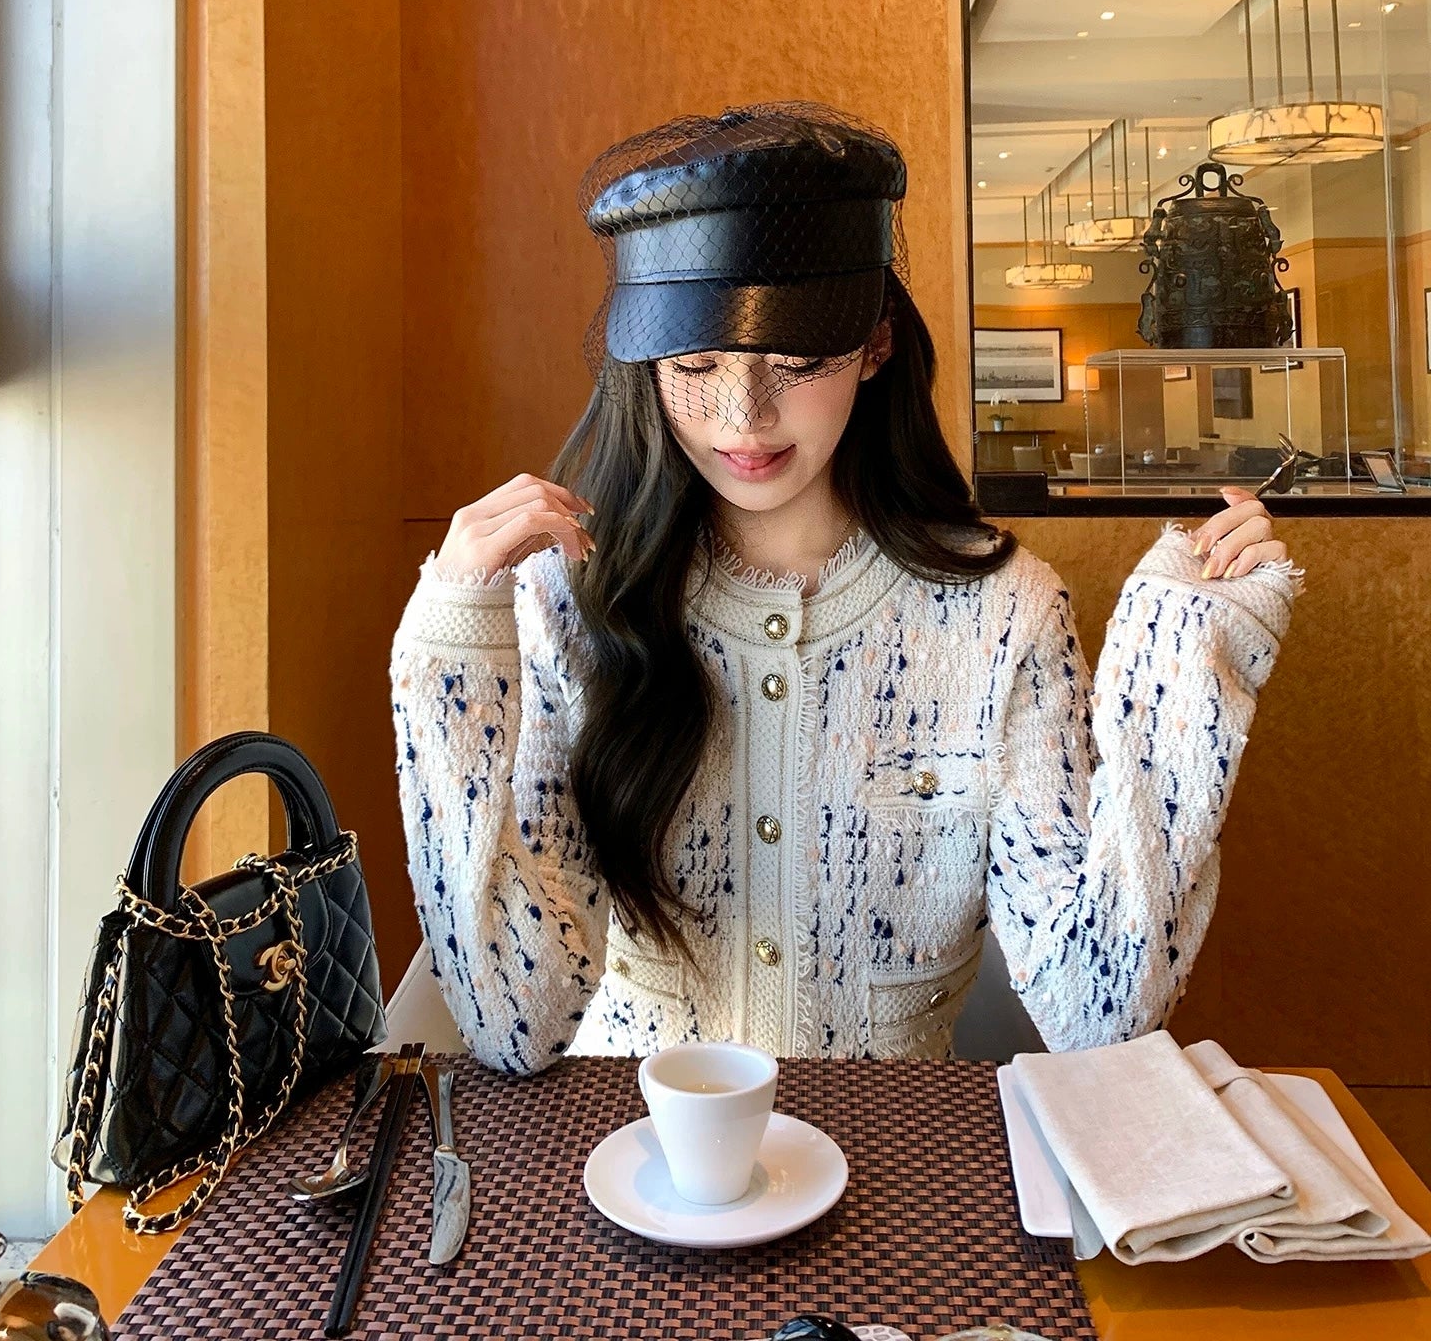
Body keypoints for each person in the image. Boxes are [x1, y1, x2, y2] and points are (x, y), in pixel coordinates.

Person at [390, 103, 1299, 1076]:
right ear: (644, 364)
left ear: (875, 346)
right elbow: (515, 1025)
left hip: (893, 1157)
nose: (744, 415)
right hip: (637, 1148)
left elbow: (1097, 1010)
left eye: (796, 363)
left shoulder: (1002, 615)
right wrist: (450, 651)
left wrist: (1182, 663)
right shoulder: (570, 603)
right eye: (695, 364)